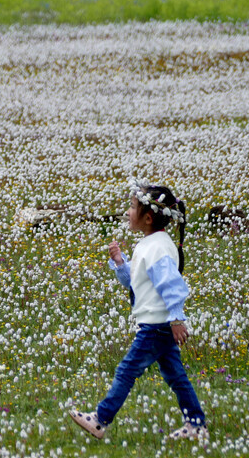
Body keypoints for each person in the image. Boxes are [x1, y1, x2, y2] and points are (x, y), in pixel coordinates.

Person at [69, 181, 207, 441]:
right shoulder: (149, 244)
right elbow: (136, 280)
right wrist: (121, 263)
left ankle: (101, 419)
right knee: (176, 376)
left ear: (147, 217)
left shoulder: (158, 247)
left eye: (132, 207)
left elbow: (171, 284)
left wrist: (177, 318)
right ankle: (196, 424)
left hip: (156, 324)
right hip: (156, 323)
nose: (128, 212)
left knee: (127, 370)